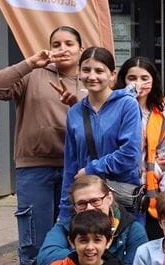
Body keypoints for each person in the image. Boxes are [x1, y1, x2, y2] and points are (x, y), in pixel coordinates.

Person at [0, 26, 84, 265]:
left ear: (80, 48)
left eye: (69, 43)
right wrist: (29, 63)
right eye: (56, 43)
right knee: (33, 246)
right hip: (34, 169)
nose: (62, 48)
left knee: (73, 245)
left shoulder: (89, 78)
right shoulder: (33, 75)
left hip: (76, 172)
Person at [59, 47, 142, 222]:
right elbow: (70, 166)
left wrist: (91, 169)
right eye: (86, 70)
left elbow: (129, 155)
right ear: (79, 72)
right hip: (87, 201)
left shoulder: (127, 105)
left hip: (120, 198)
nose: (92, 76)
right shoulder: (74, 112)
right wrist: (65, 212)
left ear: (112, 75)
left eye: (99, 71)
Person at [38, 175, 149, 265]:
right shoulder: (65, 226)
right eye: (82, 204)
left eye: (95, 201)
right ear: (75, 207)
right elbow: (45, 259)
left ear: (109, 198)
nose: (89, 208)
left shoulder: (132, 229)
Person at [116, 57, 165, 239]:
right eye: (132, 78)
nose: (138, 84)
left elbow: (164, 151)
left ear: (153, 81)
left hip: (152, 187)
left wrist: (158, 166)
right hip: (120, 184)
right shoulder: (113, 108)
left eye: (144, 78)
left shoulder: (161, 111)